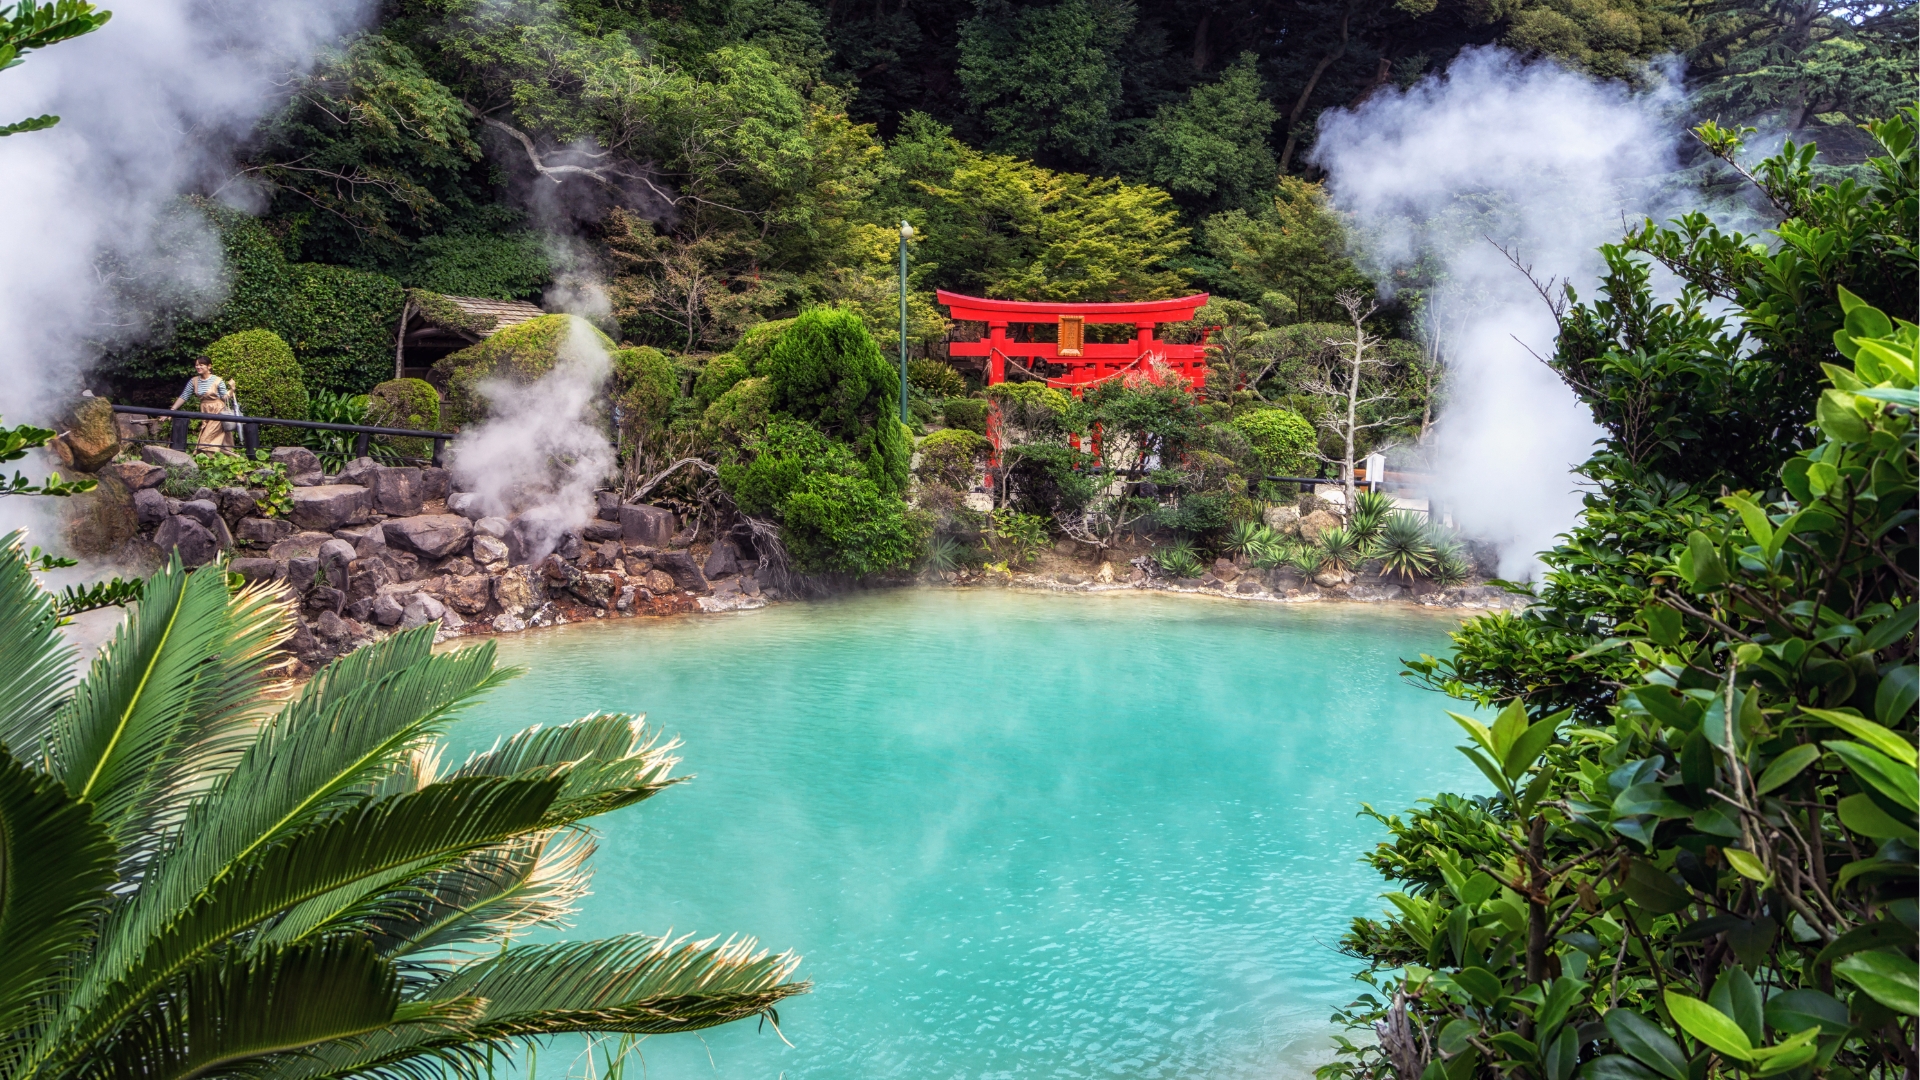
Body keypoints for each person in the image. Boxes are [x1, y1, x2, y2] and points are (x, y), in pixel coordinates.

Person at [171, 355, 236, 451]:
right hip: (205, 411)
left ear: (209, 366)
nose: (198, 367)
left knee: (206, 440)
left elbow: (224, 397)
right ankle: (230, 456)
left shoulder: (217, 380)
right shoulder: (194, 381)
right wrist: (172, 410)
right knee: (211, 440)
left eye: (201, 365)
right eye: (196, 365)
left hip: (218, 410)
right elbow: (184, 396)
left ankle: (218, 456)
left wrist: (232, 389)